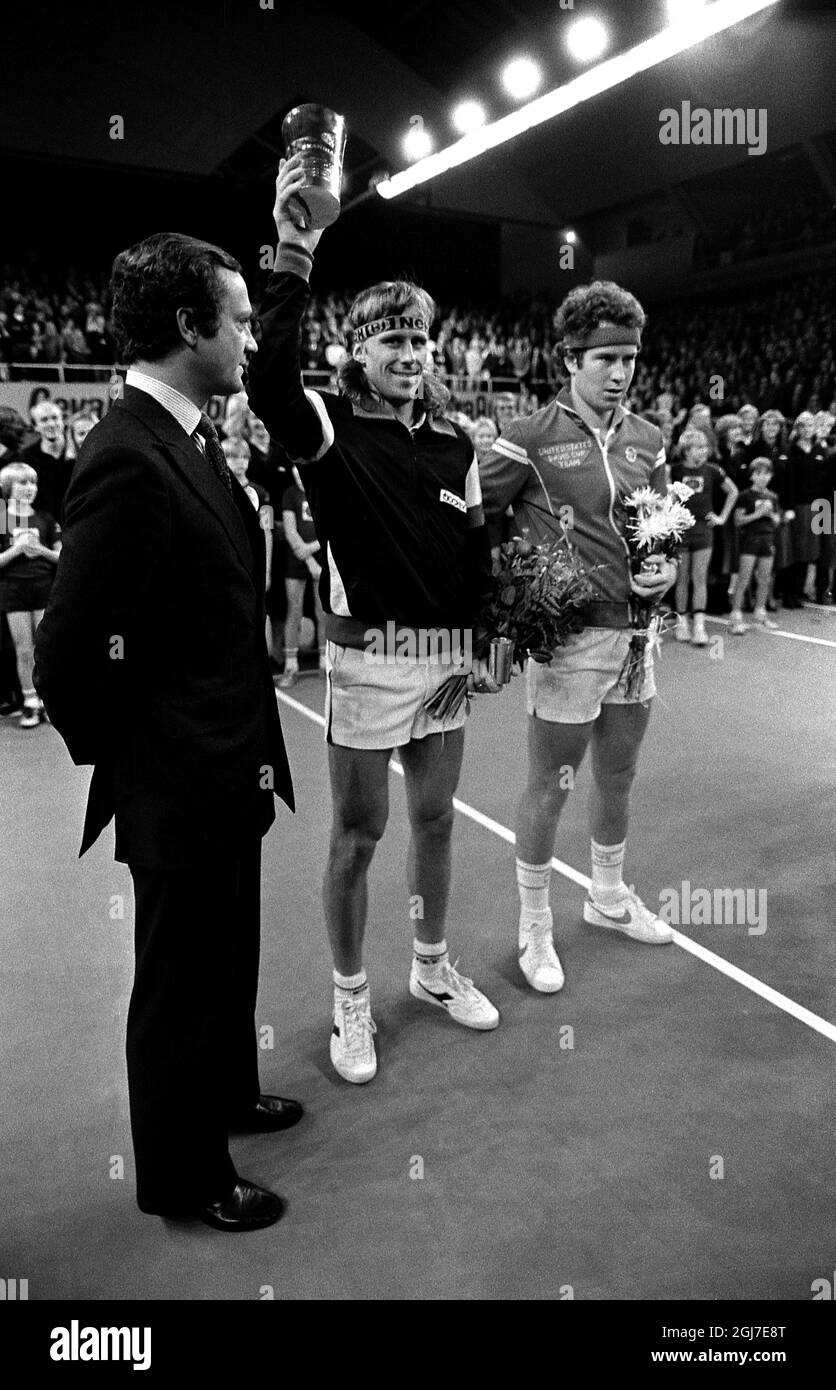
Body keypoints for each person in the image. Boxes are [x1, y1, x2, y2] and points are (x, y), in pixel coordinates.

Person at [34, 231, 299, 1233]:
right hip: (180, 772)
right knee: (180, 977)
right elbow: (68, 652)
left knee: (225, 953)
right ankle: (184, 1175)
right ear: (188, 327)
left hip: (227, 761)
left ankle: (225, 1097)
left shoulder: (180, 436)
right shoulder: (129, 455)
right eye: (236, 320)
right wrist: (147, 756)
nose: (248, 339)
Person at [247, 154, 501, 1086]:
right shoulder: (326, 432)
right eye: (388, 341)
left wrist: (490, 630)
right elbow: (269, 378)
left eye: (418, 342)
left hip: (442, 663)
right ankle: (352, 998)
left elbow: (474, 555)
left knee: (436, 822)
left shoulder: (453, 444)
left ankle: (431, 971)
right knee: (360, 836)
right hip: (365, 666)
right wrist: (294, 252)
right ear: (356, 351)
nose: (406, 354)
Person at [479, 280, 678, 996]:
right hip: (568, 642)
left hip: (636, 636)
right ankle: (534, 924)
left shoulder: (648, 438)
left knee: (617, 774)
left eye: (629, 357)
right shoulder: (529, 437)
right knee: (550, 784)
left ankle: (608, 894)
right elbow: (477, 518)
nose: (621, 372)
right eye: (606, 359)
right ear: (571, 358)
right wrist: (502, 606)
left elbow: (656, 524)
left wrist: (665, 563)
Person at [0, 462, 61, 727]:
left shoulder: (46, 518)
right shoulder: (2, 519)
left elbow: (62, 556)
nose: (28, 488)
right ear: (7, 487)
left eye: (32, 483)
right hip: (14, 590)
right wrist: (17, 550)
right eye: (22, 483)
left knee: (45, 648)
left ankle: (50, 700)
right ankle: (29, 701)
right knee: (24, 649)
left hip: (44, 588)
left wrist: (40, 550)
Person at [669, 426, 738, 646]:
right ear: (686, 450)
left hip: (703, 530)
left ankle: (699, 626)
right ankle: (682, 623)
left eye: (705, 447)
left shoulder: (713, 470)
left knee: (700, 579)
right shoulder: (674, 470)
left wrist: (722, 517)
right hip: (680, 531)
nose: (703, 451)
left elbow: (733, 491)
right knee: (682, 579)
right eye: (698, 448)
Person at [277, 465, 325, 688]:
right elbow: (290, 530)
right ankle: (291, 666)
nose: (298, 473)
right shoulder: (289, 494)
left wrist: (314, 552)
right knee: (293, 611)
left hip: (320, 558)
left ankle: (325, 664)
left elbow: (329, 527)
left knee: (322, 611)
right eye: (293, 469)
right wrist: (308, 559)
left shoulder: (320, 488)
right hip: (296, 562)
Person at [728, 459, 782, 635]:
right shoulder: (745, 496)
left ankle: (760, 613)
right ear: (751, 475)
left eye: (766, 473)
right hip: (750, 539)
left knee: (765, 578)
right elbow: (737, 520)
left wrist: (772, 516)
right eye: (758, 473)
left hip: (767, 539)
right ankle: (735, 617)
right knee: (744, 578)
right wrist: (757, 514)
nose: (762, 477)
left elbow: (777, 521)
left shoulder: (772, 496)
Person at [21, 399, 73, 522]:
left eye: (55, 418)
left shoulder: (78, 452)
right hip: (43, 528)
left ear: (63, 421)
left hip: (76, 525)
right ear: (35, 427)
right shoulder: (27, 457)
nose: (51, 424)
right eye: (44, 420)